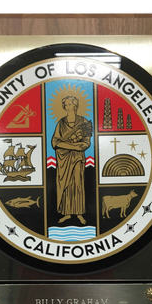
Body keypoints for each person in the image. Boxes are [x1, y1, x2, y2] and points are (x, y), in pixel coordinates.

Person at [51, 96, 92, 224]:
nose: (66, 106)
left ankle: (79, 213)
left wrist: (71, 146)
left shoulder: (83, 121)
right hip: (63, 159)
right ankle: (67, 213)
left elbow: (86, 143)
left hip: (78, 158)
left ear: (75, 105)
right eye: (65, 104)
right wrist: (74, 146)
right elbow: (55, 142)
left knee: (78, 184)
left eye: (69, 104)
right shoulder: (61, 123)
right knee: (67, 185)